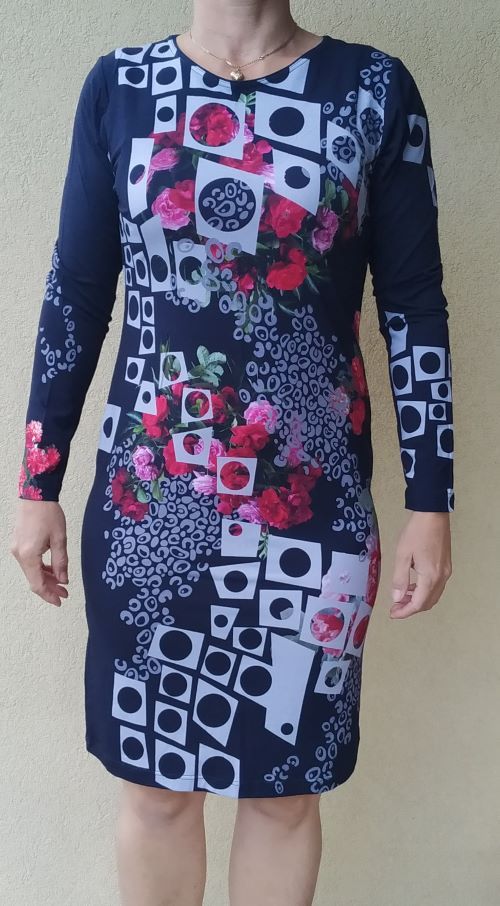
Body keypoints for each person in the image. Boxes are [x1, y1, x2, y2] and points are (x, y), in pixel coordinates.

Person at [10, 1, 454, 903]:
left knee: (285, 795)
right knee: (157, 790)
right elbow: (76, 293)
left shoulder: (373, 90)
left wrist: (431, 498)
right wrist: (36, 480)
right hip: (149, 508)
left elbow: (415, 305)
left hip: (313, 510)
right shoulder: (121, 88)